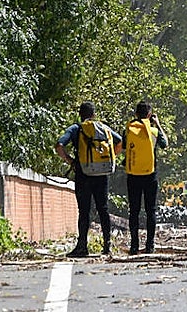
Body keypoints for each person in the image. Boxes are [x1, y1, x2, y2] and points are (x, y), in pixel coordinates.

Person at [55, 101, 122, 257]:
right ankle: (107, 245)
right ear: (94, 114)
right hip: (102, 175)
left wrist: (71, 161)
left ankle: (82, 247)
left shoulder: (76, 128)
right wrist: (109, 158)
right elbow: (120, 142)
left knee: (84, 211)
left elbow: (59, 145)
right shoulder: (103, 128)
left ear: (80, 114)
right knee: (103, 209)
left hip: (83, 174)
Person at [123, 101, 169, 254]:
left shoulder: (129, 129)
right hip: (150, 175)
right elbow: (165, 144)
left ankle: (134, 246)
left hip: (133, 175)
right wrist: (158, 124)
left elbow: (124, 146)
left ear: (136, 114)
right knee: (151, 211)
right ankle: (150, 245)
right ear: (149, 115)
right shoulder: (154, 131)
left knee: (134, 211)